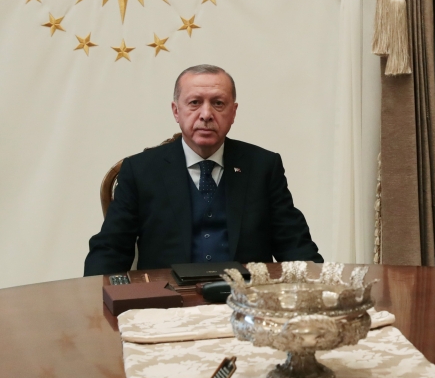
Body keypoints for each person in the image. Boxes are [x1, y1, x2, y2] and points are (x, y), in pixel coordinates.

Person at [84, 64, 323, 275]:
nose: (206, 115)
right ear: (176, 111)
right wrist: (95, 304)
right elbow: (111, 249)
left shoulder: (263, 166)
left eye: (218, 104)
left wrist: (320, 289)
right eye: (194, 103)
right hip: (166, 306)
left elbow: (294, 244)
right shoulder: (140, 170)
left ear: (233, 112)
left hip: (247, 303)